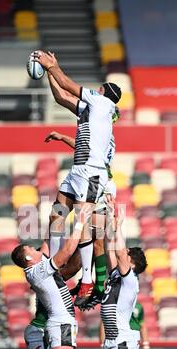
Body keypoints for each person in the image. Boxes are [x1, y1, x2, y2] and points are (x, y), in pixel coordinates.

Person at [34, 50, 121, 306]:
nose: (96, 90)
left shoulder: (103, 103)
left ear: (105, 94)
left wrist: (51, 66)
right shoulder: (92, 112)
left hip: (92, 174)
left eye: (100, 89)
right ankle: (53, 258)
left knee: (84, 228)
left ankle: (86, 279)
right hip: (78, 170)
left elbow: (68, 85)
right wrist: (49, 72)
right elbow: (61, 97)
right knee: (56, 214)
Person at [9, 206, 90, 349]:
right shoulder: (38, 270)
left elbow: (49, 240)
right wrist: (80, 222)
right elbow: (64, 253)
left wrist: (58, 214)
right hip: (62, 323)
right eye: (32, 250)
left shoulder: (35, 267)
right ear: (27, 258)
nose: (38, 250)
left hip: (59, 322)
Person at [44, 124, 118, 309]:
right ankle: (53, 266)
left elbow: (89, 151)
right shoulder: (89, 128)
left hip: (95, 179)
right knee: (56, 217)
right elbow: (81, 147)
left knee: (95, 236)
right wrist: (62, 137)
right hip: (76, 175)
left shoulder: (105, 135)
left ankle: (94, 284)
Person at [101, 196, 147, 349]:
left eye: (126, 254)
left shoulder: (129, 278)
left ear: (131, 262)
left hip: (121, 338)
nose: (122, 254)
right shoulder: (116, 275)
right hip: (111, 339)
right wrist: (110, 218)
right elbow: (111, 249)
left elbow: (118, 250)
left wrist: (118, 221)